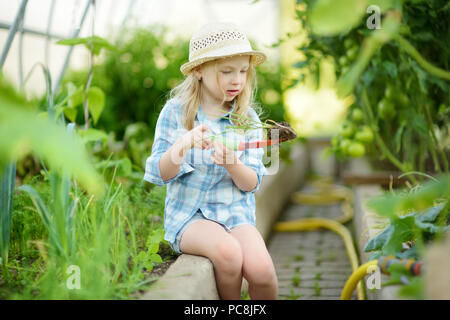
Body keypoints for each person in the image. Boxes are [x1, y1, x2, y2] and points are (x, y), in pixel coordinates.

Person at [144, 22, 277, 300]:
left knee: (262, 271)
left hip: (235, 213)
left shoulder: (246, 119)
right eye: (226, 71)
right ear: (199, 71)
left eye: (243, 71)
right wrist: (181, 145)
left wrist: (232, 163)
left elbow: (251, 183)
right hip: (190, 216)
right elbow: (160, 173)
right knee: (228, 255)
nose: (237, 80)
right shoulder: (176, 113)